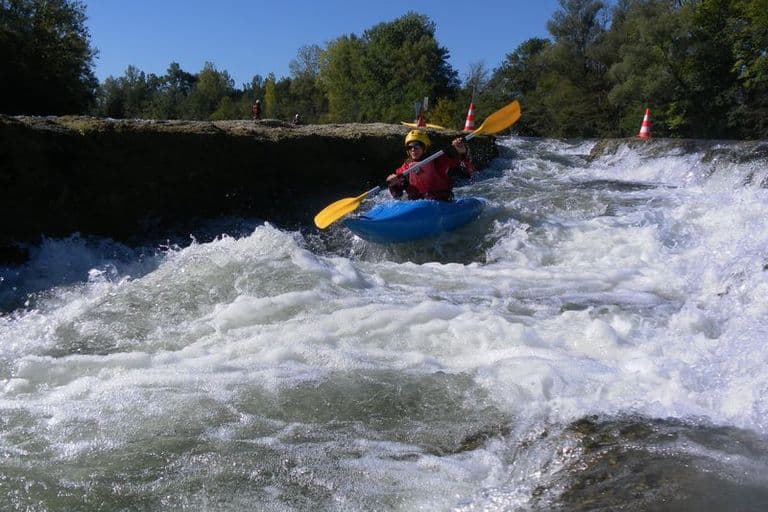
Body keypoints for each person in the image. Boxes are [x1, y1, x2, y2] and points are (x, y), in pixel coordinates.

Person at [386, 130, 474, 201]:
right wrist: (392, 184)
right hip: (416, 205)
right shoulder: (404, 169)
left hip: (442, 202)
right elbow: (397, 195)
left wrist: (462, 153)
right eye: (410, 147)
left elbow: (467, 171)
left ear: (424, 148)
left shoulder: (438, 160)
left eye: (417, 146)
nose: (413, 149)